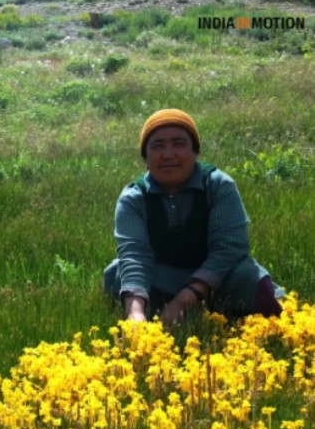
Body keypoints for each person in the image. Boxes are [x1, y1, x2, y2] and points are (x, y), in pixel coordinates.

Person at [103, 108, 283, 326]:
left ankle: (216, 309)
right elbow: (134, 256)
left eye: (178, 144)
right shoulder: (133, 197)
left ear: (195, 151)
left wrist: (184, 299)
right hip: (164, 275)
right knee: (117, 271)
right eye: (157, 146)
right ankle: (159, 311)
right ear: (145, 156)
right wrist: (135, 313)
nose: (168, 154)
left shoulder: (218, 185)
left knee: (249, 276)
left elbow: (230, 249)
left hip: (217, 277)